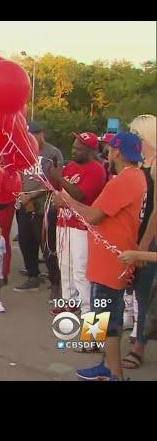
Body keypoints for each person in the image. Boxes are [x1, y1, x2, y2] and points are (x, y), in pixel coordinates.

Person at [56, 133, 146, 381]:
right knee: (103, 316)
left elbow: (94, 215)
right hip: (113, 257)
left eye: (110, 148)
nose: (107, 151)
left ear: (116, 152)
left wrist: (66, 201)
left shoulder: (123, 181)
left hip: (109, 261)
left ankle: (114, 374)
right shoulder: (137, 177)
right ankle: (105, 365)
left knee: (106, 321)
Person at [49, 132, 106, 321]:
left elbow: (80, 195)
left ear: (91, 151)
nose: (73, 151)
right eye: (73, 147)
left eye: (78, 149)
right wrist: (52, 177)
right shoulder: (71, 166)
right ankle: (68, 301)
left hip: (81, 226)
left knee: (80, 269)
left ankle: (87, 309)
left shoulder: (96, 169)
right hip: (63, 222)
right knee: (64, 265)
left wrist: (59, 179)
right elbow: (60, 190)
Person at [119, 114, 156, 370]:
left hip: (147, 241)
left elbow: (156, 211)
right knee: (113, 293)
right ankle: (100, 342)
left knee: (144, 294)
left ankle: (138, 345)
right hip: (128, 238)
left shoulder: (154, 166)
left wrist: (143, 247)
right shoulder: (134, 166)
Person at [15, 121, 64, 293]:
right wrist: (22, 196)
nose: (30, 138)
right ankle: (33, 275)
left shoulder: (52, 153)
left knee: (48, 246)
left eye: (34, 134)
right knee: (25, 241)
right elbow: (17, 174)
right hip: (25, 204)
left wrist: (32, 196)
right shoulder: (22, 150)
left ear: (41, 133)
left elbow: (56, 181)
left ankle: (55, 282)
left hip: (45, 206)